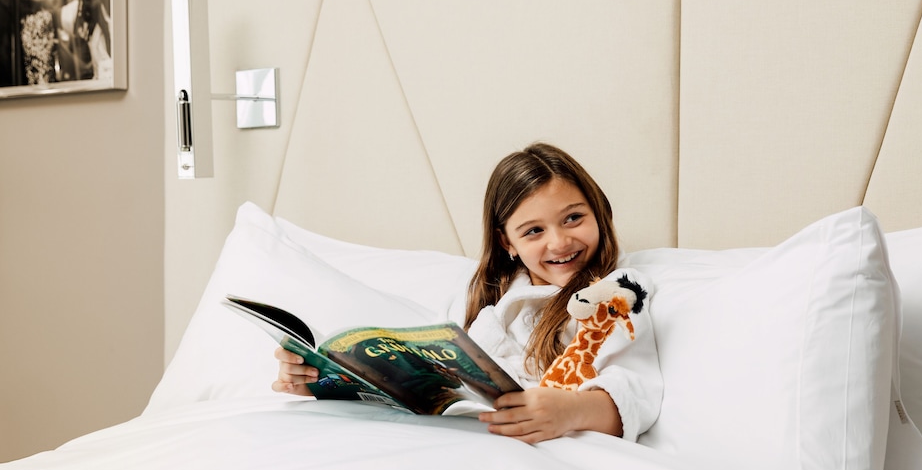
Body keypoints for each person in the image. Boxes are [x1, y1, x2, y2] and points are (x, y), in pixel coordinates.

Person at [273, 143, 662, 444]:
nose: (559, 242)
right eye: (533, 231)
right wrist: (321, 381)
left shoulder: (616, 294)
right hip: (471, 435)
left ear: (599, 212)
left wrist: (571, 411)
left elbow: (634, 390)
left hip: (541, 441)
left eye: (573, 218)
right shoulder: (488, 299)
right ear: (507, 243)